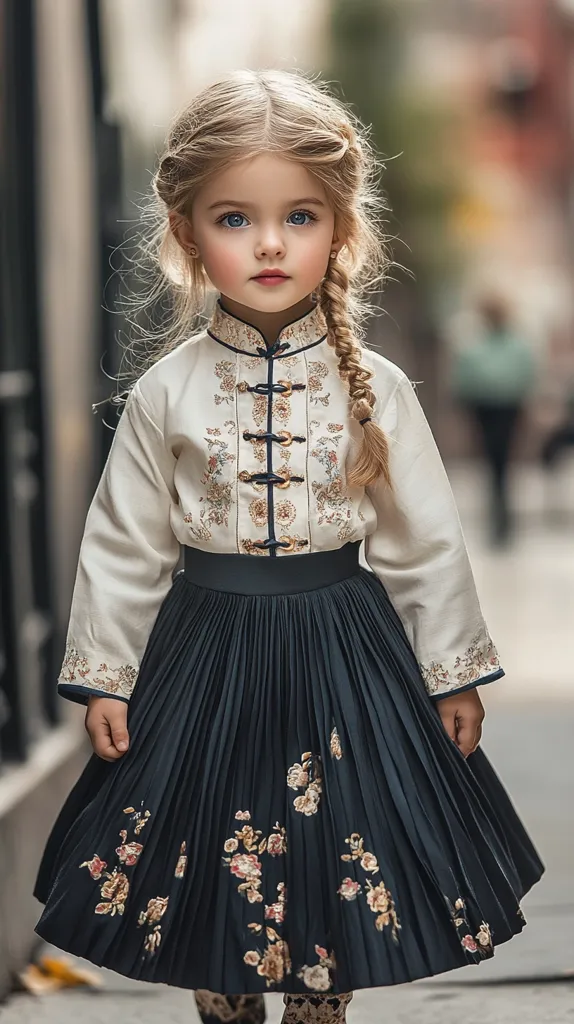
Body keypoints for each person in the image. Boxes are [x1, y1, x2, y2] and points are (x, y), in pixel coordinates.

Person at [33, 70, 543, 1024]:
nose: (269, 243)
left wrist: (452, 673)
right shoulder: (166, 392)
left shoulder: (378, 387)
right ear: (186, 232)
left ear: (340, 229)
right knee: (205, 860)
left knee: (337, 856)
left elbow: (425, 540)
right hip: (202, 654)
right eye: (234, 219)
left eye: (300, 216)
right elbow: (123, 542)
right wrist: (106, 675)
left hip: (344, 651)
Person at [452, 296, 536, 546]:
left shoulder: (490, 346)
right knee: (495, 463)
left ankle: (501, 517)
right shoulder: (481, 345)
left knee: (498, 464)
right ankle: (500, 517)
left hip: (501, 408)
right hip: (491, 408)